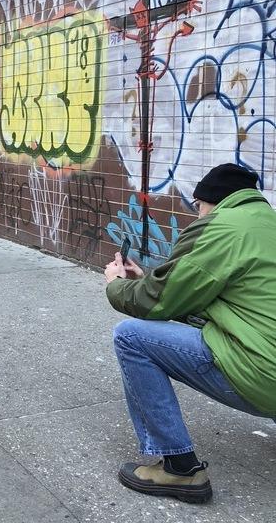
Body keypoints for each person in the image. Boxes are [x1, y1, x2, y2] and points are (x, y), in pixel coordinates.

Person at [104, 163, 276, 504]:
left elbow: (159, 302)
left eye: (197, 208)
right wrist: (148, 278)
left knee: (132, 337)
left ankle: (180, 468)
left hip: (265, 375)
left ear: (210, 200)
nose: (197, 216)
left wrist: (117, 286)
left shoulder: (222, 229)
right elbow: (216, 302)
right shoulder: (265, 224)